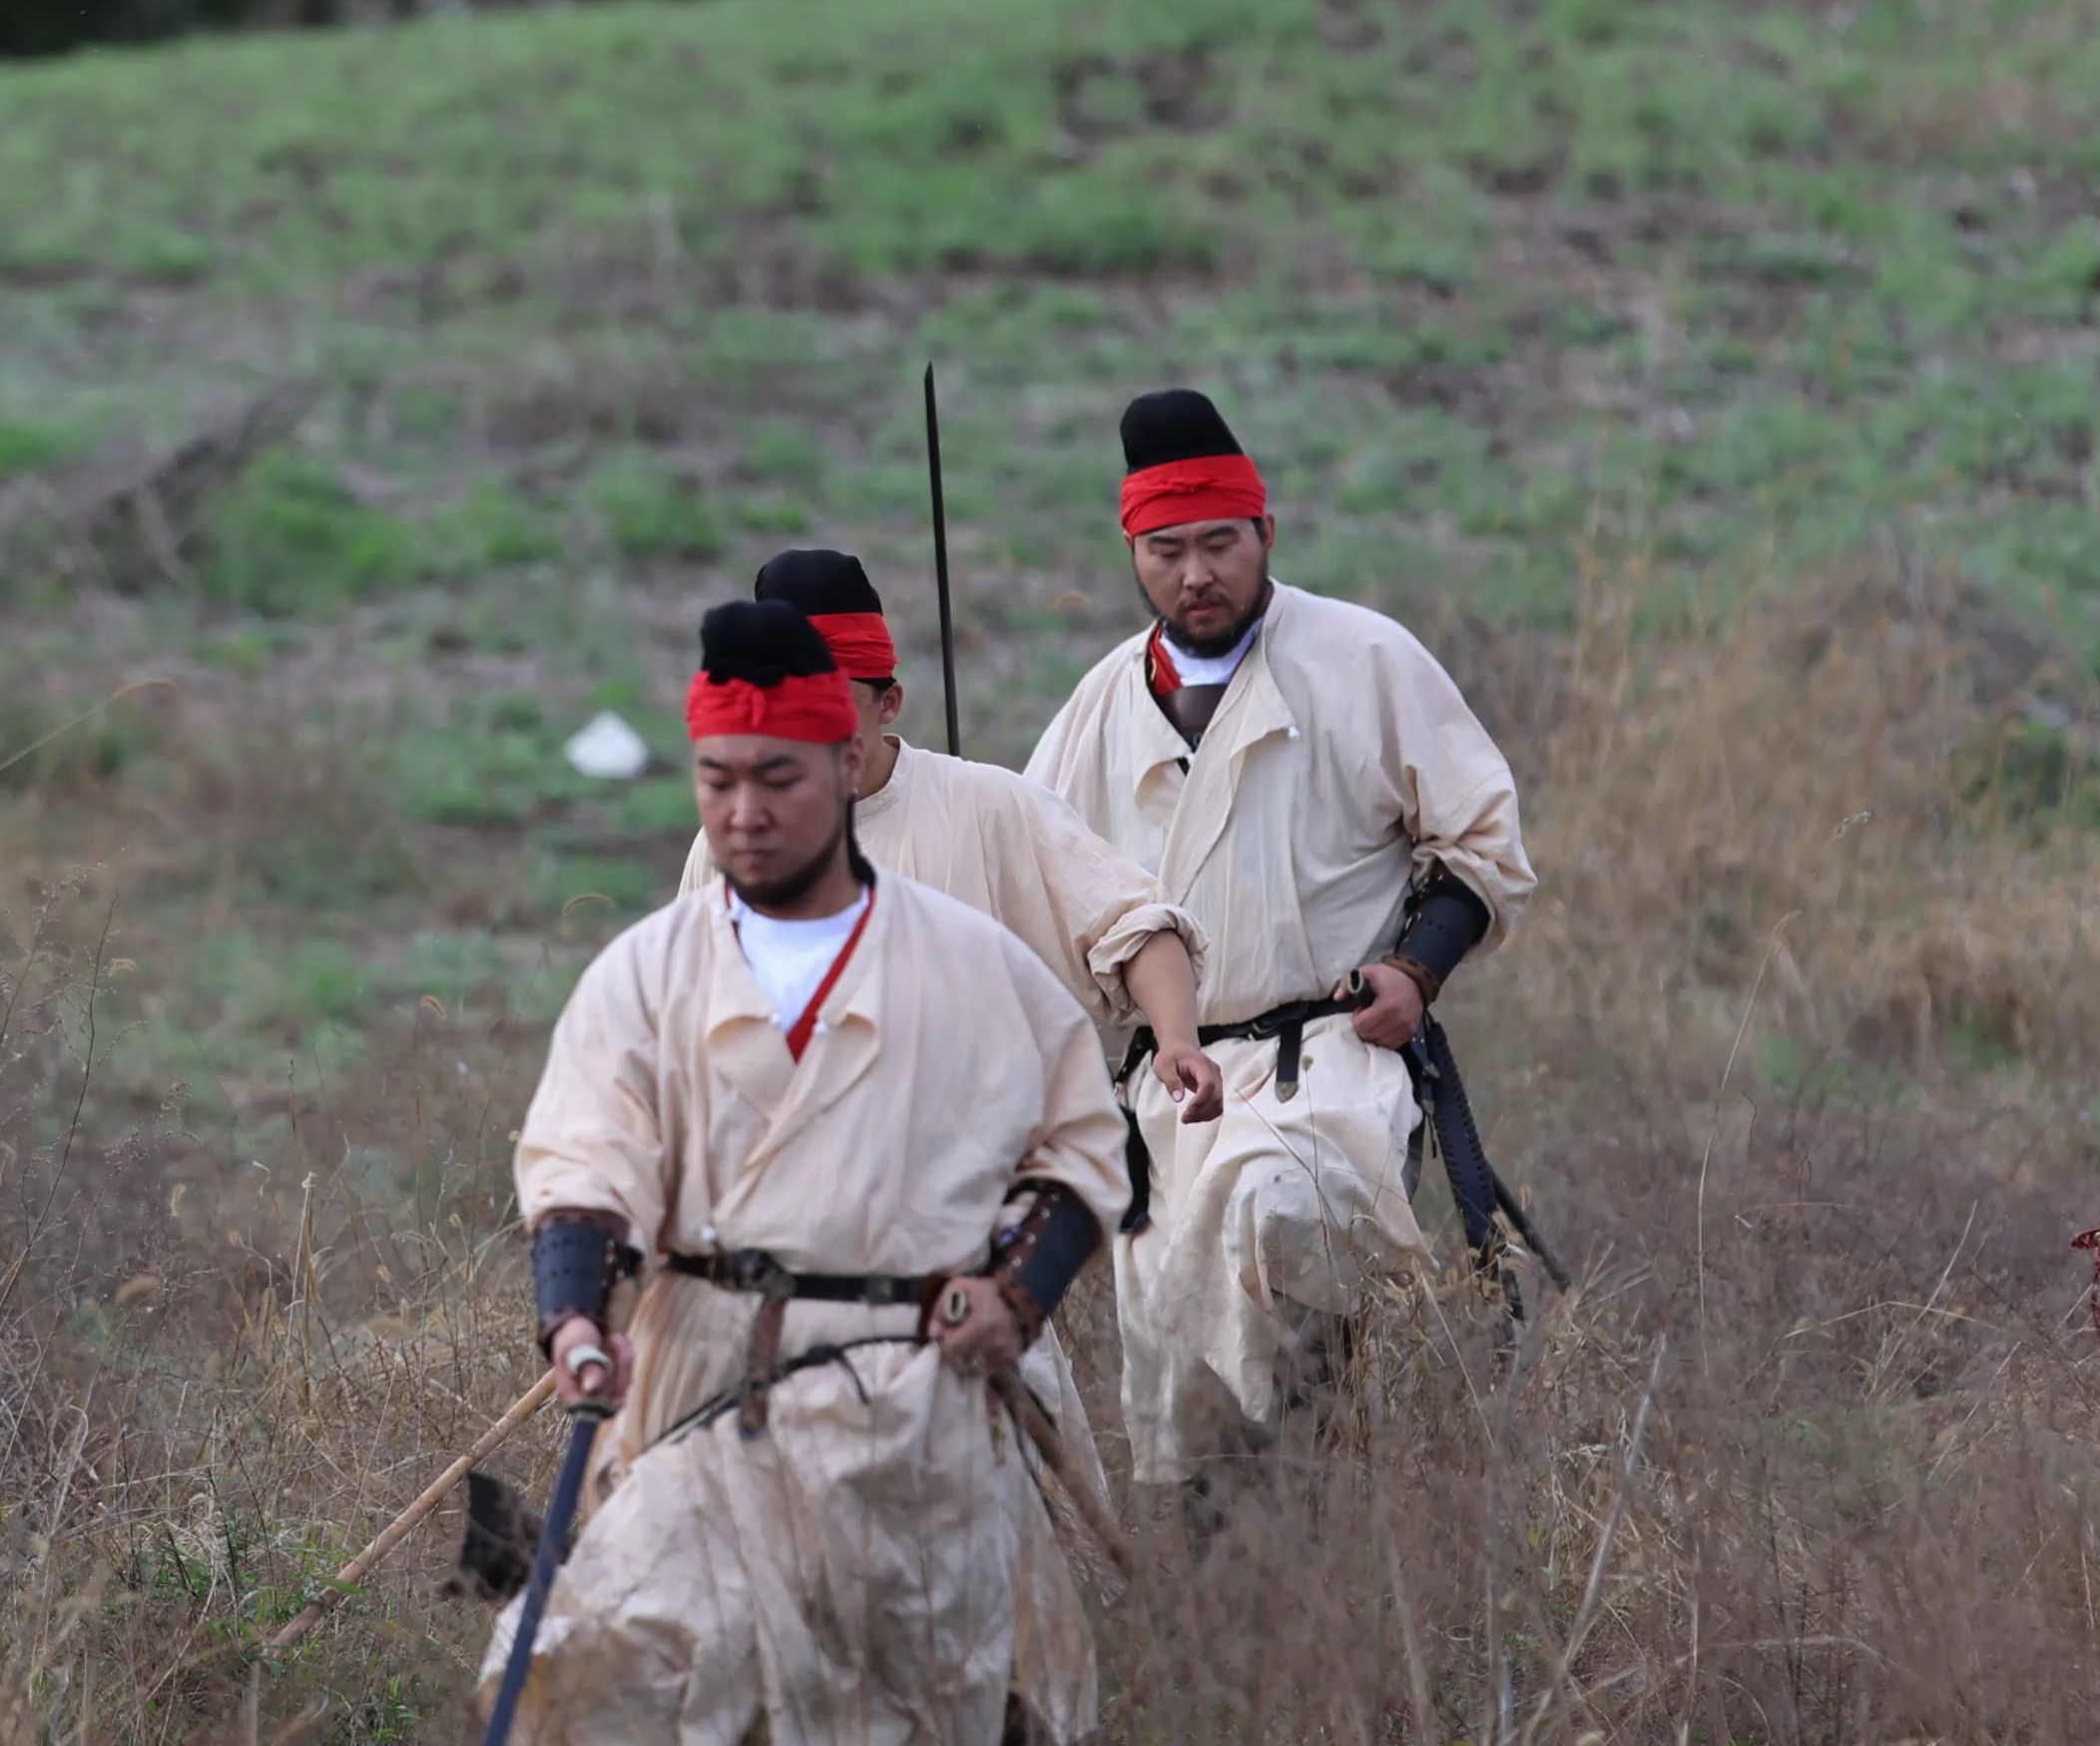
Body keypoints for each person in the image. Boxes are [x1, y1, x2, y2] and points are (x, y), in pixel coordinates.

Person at [486, 601, 1131, 1745]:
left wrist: (1016, 1291)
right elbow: (584, 1158)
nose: (744, 813)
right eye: (718, 779)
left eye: (776, 778)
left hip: (911, 1404)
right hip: (698, 1394)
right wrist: (576, 1320)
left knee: (925, 1713)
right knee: (588, 1682)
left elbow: (1080, 1146)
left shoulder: (967, 963)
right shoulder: (646, 974)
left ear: (844, 766)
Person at [669, 545, 1211, 1740]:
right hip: (793, 1274)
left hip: (974, 1254)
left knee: (1038, 1558)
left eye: (835, 715)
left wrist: (1173, 1038)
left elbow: (1133, 925)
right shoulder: (729, 852)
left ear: (885, 702)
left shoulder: (990, 809)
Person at [1027, 389, 1534, 1495]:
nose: (1196, 573)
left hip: (1331, 1063)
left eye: (1220, 543)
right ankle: (1245, 1608)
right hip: (1170, 1083)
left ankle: (1305, 1527)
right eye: (1168, 551)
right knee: (1182, 1377)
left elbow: (1479, 845)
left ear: (1267, 536)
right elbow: (1038, 896)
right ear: (1133, 553)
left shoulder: (1364, 660)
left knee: (1282, 1224)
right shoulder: (1100, 708)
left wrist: (1415, 971)